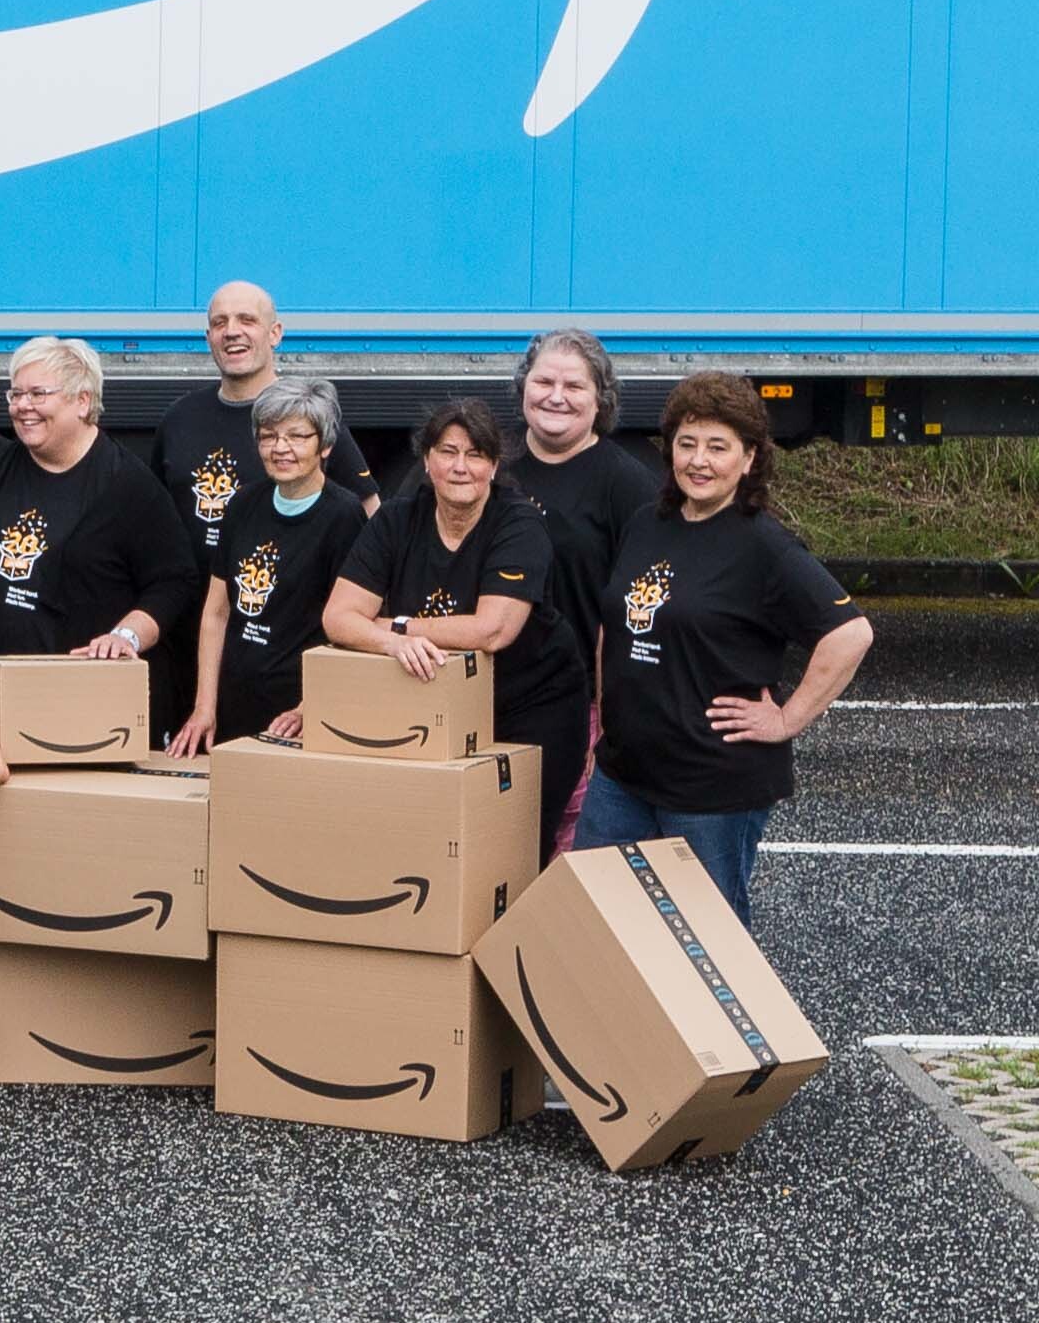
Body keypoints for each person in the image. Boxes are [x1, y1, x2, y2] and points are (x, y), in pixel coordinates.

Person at [579, 373, 876, 908]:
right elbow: (615, 624)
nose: (699, 460)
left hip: (709, 791)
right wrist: (605, 719)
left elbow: (850, 634)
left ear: (749, 458)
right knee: (601, 925)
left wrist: (787, 719)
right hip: (621, 777)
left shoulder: (764, 546)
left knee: (704, 946)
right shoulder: (648, 522)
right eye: (687, 443)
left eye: (718, 447)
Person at [327, 395, 589, 856]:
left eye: (475, 454)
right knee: (437, 842)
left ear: (493, 464)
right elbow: (338, 617)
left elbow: (492, 631)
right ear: (427, 460)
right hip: (441, 703)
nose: (460, 467)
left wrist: (398, 626)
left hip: (531, 704)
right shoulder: (396, 519)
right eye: (447, 452)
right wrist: (388, 645)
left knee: (514, 844)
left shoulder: (518, 523)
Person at [0, 336, 201, 741]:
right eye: (17, 393)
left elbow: (174, 581)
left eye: (38, 394)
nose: (23, 406)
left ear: (82, 401)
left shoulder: (127, 486)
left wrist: (125, 635)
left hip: (81, 707)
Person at [178, 373, 376, 752]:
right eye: (268, 436)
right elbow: (216, 612)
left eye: (297, 436)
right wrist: (205, 706)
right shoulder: (241, 505)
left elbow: (353, 624)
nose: (280, 448)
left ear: (326, 445)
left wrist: (310, 705)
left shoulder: (344, 516)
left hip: (298, 715)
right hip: (236, 702)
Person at [505, 327, 667, 584]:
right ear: (524, 386)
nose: (556, 397)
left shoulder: (629, 484)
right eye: (544, 382)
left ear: (600, 400)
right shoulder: (491, 461)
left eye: (574, 387)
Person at [156, 282, 289, 539]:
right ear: (208, 339)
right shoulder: (179, 418)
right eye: (219, 323)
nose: (231, 332)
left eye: (247, 320)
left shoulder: (307, 417)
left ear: (275, 333)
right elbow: (152, 516)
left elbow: (364, 515)